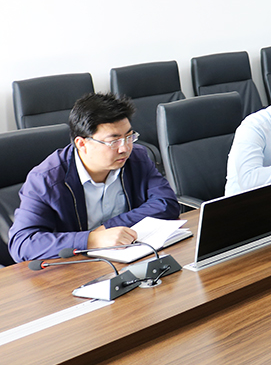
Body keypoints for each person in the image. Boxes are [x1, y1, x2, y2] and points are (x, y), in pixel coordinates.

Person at [8, 93, 180, 263]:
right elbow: (22, 244)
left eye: (129, 137)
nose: (125, 148)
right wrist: (92, 239)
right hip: (75, 267)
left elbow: (167, 203)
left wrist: (108, 228)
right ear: (82, 144)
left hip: (129, 258)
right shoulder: (45, 180)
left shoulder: (136, 157)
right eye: (114, 141)